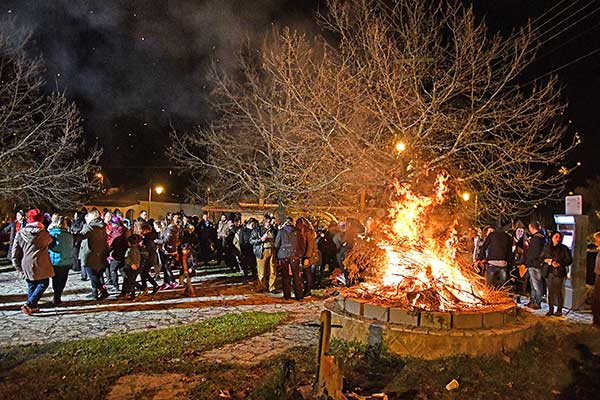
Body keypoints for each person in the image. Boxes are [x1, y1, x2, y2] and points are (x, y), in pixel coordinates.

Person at [11, 209, 54, 315]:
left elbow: (15, 251)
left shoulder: (21, 233)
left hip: (26, 262)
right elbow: (51, 241)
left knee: (31, 284)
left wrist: (17, 266)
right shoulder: (44, 233)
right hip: (41, 262)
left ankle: (33, 307)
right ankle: (29, 304)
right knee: (43, 283)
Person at [77, 210, 109, 300]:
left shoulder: (91, 227)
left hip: (90, 254)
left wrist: (71, 234)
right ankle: (95, 292)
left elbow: (81, 236)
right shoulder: (102, 226)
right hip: (100, 252)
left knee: (92, 275)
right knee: (97, 275)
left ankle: (103, 291)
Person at [540, 231, 573, 317]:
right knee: (550, 291)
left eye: (559, 237)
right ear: (552, 238)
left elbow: (569, 260)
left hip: (559, 272)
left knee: (558, 291)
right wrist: (546, 260)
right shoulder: (547, 247)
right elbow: (541, 257)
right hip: (548, 272)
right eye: (556, 237)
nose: (558, 239)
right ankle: (550, 309)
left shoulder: (564, 248)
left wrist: (559, 263)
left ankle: (559, 310)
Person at [274, 217, 305, 301]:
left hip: (284, 255)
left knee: (285, 276)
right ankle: (299, 296)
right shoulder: (298, 231)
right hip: (295, 254)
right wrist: (300, 254)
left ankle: (287, 296)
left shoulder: (281, 231)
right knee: (296, 276)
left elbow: (276, 244)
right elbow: (302, 244)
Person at [48, 215, 74, 306]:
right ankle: (58, 296)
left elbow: (51, 247)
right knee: (63, 279)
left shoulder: (52, 234)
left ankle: (56, 297)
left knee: (56, 280)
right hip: (67, 260)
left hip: (55, 260)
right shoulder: (69, 235)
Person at [250, 215, 277, 292]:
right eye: (268, 222)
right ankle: (261, 286)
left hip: (272, 250)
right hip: (262, 251)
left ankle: (272, 287)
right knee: (262, 271)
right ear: (264, 222)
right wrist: (261, 239)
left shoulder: (273, 229)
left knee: (273, 270)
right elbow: (251, 240)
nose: (269, 223)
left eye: (270, 222)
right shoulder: (257, 230)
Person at [525, 222, 546, 310]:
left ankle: (537, 302)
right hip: (535, 264)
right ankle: (533, 301)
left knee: (536, 284)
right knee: (533, 284)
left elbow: (533, 253)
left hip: (534, 264)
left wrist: (529, 260)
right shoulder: (541, 238)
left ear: (532, 227)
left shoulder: (536, 239)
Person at [119, 234, 141, 300]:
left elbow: (127, 258)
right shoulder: (136, 249)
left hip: (129, 267)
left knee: (131, 282)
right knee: (132, 281)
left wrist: (132, 264)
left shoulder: (129, 249)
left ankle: (132, 295)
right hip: (134, 267)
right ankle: (131, 294)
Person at [593, 232, 600, 327]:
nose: (595, 242)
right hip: (597, 275)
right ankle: (596, 320)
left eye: (597, 240)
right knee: (596, 299)